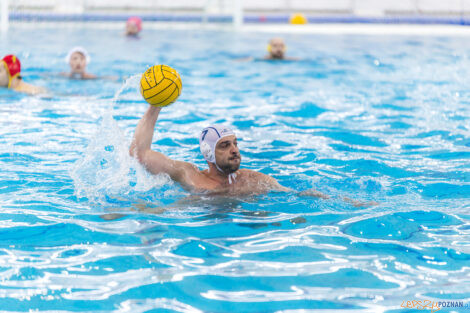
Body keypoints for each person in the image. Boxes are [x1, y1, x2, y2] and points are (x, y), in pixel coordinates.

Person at [130, 106, 333, 199]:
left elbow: (296, 195)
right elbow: (140, 153)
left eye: (235, 144)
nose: (234, 150)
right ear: (208, 153)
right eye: (225, 145)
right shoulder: (188, 174)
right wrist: (155, 106)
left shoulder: (253, 179)